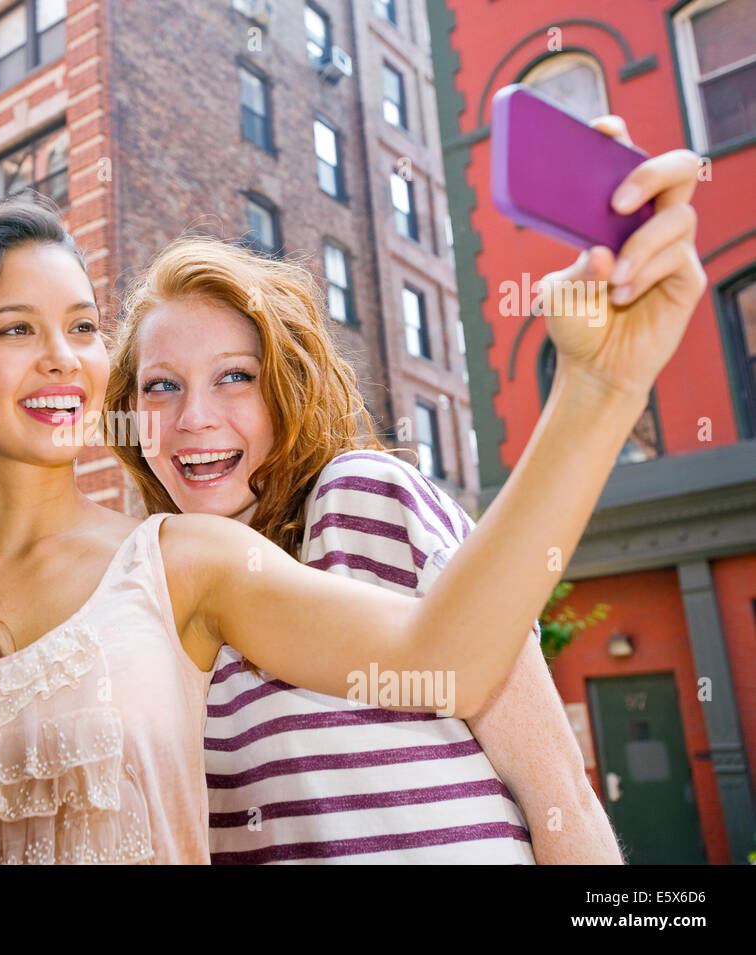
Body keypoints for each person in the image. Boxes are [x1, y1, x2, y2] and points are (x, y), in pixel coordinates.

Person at [0, 116, 704, 864]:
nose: (61, 354)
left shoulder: (245, 543)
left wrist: (596, 391)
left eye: (83, 326)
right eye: (17, 327)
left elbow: (491, 707)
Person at [105, 121, 647, 862]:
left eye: (235, 376)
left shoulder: (360, 503)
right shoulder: (155, 613)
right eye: (161, 386)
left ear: (286, 392)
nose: (193, 417)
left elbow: (561, 795)